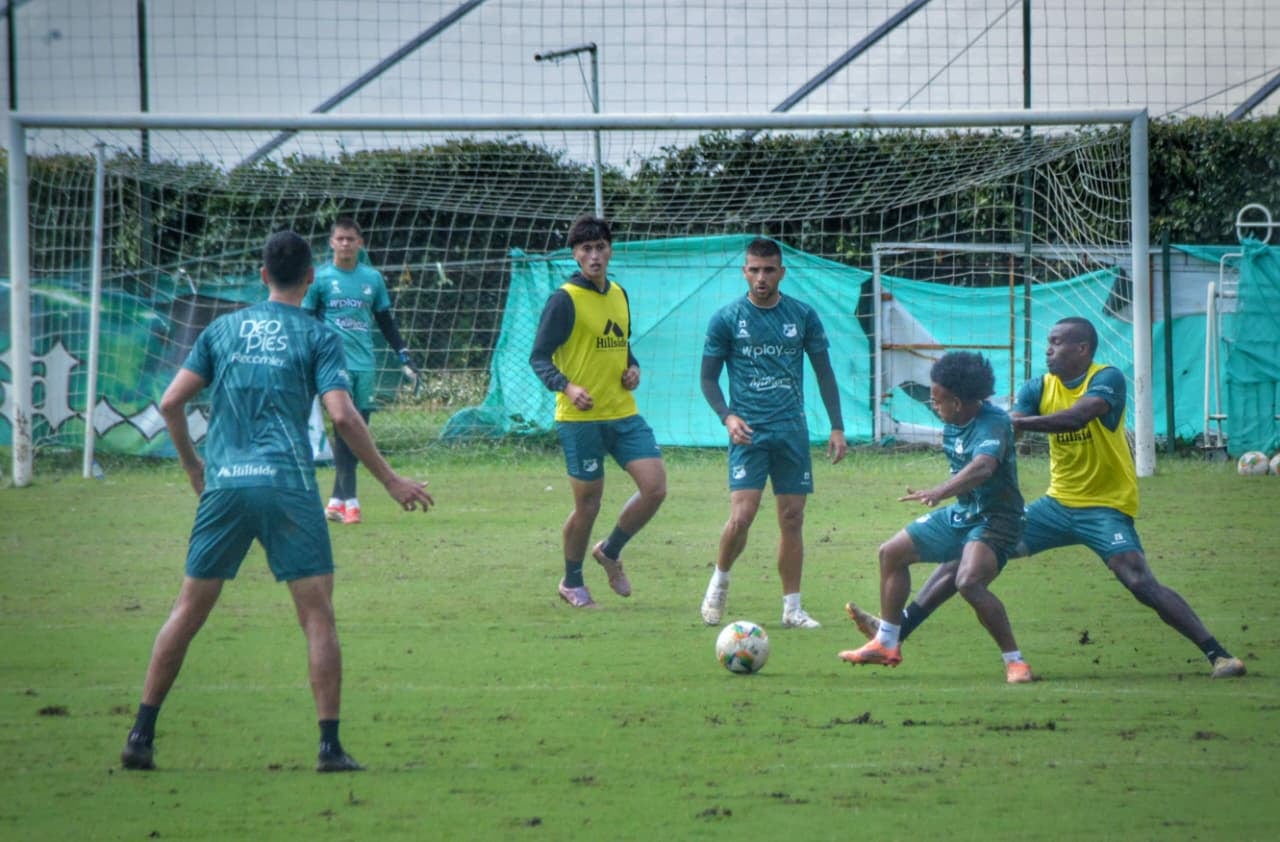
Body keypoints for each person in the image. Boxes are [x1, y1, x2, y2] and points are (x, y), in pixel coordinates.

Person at [119, 230, 435, 773]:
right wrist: (389, 480)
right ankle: (329, 748)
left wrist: (195, 467)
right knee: (317, 616)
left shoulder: (222, 330)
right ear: (311, 277)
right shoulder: (318, 335)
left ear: (262, 275)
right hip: (287, 486)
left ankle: (140, 735)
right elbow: (342, 416)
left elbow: (171, 403)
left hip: (225, 485)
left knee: (187, 611)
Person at [843, 317, 1247, 679]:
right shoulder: (1038, 386)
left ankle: (1218, 654)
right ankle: (894, 635)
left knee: (1138, 580)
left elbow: (1077, 417)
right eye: (1048, 342)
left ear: (1082, 348)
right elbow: (1010, 427)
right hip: (1055, 506)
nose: (1048, 349)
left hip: (1105, 507)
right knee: (970, 554)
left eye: (1056, 342)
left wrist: (1007, 424)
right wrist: (995, 428)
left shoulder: (1107, 379)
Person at [839, 351, 1034, 683]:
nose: (933, 404)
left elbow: (983, 467)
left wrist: (939, 491)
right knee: (891, 552)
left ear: (957, 402)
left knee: (968, 582)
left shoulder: (994, 423)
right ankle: (886, 642)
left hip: (998, 520)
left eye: (937, 399)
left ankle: (1015, 662)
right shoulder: (953, 422)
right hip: (963, 513)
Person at [698, 237, 848, 629]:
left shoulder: (802, 315)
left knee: (792, 518)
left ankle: (792, 609)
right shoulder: (726, 319)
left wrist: (837, 426)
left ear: (782, 272)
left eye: (768, 270)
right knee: (742, 516)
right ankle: (720, 581)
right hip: (748, 433)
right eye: (754, 269)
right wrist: (727, 417)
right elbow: (708, 379)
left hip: (791, 431)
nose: (761, 277)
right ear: (744, 272)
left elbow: (824, 372)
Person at [529, 214, 668, 608]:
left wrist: (632, 367)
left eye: (600, 247)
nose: (594, 255)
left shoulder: (619, 293)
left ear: (610, 251)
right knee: (587, 506)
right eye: (586, 249)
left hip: (622, 413)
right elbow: (539, 358)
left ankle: (610, 550)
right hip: (580, 421)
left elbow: (620, 343)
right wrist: (567, 386)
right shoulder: (563, 300)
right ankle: (572, 582)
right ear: (575, 254)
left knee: (655, 488)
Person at [303, 217, 418, 525]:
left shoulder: (372, 279)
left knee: (358, 430)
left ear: (360, 243)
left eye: (350, 239)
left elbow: (385, 320)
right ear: (331, 243)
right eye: (340, 239)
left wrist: (403, 353)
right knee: (344, 427)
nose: (345, 244)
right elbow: (307, 320)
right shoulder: (321, 278)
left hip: (364, 364)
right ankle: (351, 502)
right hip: (333, 364)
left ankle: (336, 501)